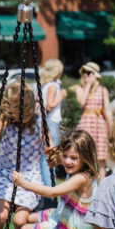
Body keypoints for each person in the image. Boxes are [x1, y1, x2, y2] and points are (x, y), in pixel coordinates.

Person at [0, 81, 47, 229]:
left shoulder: (40, 123)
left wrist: (54, 154)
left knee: (20, 221)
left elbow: (50, 146)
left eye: (27, 107)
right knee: (2, 216)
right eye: (19, 108)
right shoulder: (4, 120)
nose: (24, 112)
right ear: (9, 107)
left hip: (28, 178)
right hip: (5, 174)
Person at [10, 129, 100, 229]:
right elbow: (60, 158)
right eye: (65, 156)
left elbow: (52, 192)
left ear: (86, 157)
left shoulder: (81, 179)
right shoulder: (79, 169)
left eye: (73, 158)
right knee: (29, 218)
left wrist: (23, 183)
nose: (67, 161)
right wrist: (55, 160)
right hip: (62, 217)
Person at [72, 61, 112, 178]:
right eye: (84, 72)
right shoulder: (79, 88)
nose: (86, 75)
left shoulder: (103, 90)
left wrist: (111, 128)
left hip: (99, 126)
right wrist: (88, 85)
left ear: (95, 75)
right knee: (83, 158)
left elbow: (107, 110)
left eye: (89, 73)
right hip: (85, 124)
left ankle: (102, 191)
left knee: (100, 161)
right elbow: (81, 102)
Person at [39, 58, 67, 186]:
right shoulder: (53, 86)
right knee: (51, 156)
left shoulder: (44, 85)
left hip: (43, 120)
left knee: (44, 156)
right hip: (50, 122)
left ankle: (46, 187)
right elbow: (49, 106)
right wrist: (61, 96)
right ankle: (50, 188)